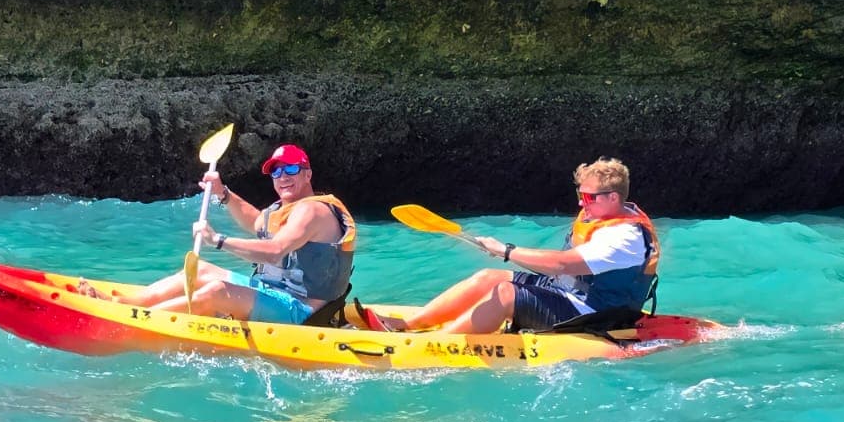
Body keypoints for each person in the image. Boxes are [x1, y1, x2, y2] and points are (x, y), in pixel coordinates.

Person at [368, 157, 658, 334]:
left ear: (614, 198)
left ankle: (439, 342)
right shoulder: (600, 214)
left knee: (506, 293)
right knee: (488, 277)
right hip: (569, 292)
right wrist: (499, 253)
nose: (581, 203)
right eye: (581, 195)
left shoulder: (624, 237)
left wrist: (506, 251)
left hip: (596, 311)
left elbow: (562, 263)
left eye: (590, 197)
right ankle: (410, 323)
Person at [86, 143, 358, 325]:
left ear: (307, 174)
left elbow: (276, 251)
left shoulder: (312, 211)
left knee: (217, 291)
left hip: (302, 312)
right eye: (276, 172)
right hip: (271, 292)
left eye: (291, 169)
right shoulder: (287, 209)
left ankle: (135, 322)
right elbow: (256, 223)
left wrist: (219, 241)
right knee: (200, 271)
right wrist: (223, 194)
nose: (283, 177)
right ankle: (121, 303)